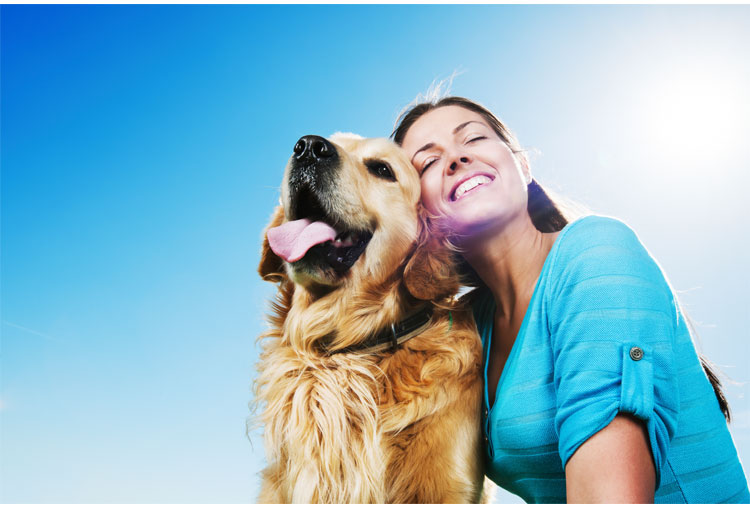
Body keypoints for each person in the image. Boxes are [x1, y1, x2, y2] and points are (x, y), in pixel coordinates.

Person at [392, 96, 750, 503]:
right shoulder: (467, 327)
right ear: (419, 214)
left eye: (473, 138)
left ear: (523, 166)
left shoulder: (596, 252)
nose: (455, 158)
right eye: (428, 162)